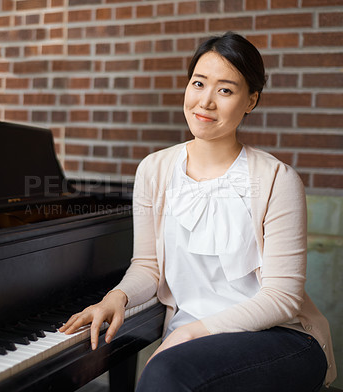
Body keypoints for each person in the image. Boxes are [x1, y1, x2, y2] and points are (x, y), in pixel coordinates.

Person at [60, 32, 336, 391]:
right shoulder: (154, 170)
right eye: (198, 83)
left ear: (250, 100)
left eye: (225, 90)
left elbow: (282, 298)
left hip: (278, 336)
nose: (205, 101)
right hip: (191, 342)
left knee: (168, 374)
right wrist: (116, 298)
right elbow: (148, 267)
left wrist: (193, 331)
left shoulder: (277, 179)